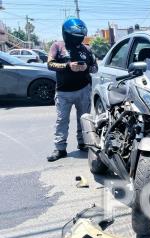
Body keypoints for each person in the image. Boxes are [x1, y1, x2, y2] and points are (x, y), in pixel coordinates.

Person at [47, 18, 98, 162]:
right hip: (63, 92)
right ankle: (60, 148)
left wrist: (86, 67)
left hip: (83, 90)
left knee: (84, 119)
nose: (79, 39)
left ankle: (83, 143)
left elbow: (95, 68)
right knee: (62, 120)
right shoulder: (57, 46)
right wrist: (68, 66)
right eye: (75, 36)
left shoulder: (86, 49)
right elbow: (50, 64)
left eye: (80, 36)